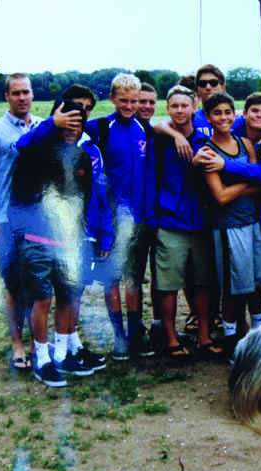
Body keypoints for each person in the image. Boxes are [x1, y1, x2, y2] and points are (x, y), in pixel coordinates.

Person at [9, 99, 93, 386]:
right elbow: (21, 145)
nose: (71, 128)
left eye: (77, 123)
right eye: (66, 121)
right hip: (37, 241)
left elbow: (84, 199)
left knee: (68, 297)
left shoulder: (82, 157)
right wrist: (50, 126)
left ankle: (61, 353)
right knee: (42, 298)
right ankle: (41, 358)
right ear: (55, 120)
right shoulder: (36, 149)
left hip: (69, 241)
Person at [197, 92, 261, 317]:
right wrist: (195, 159)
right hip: (238, 218)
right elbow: (211, 124)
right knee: (240, 280)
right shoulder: (234, 129)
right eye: (254, 111)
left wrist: (225, 165)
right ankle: (236, 330)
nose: (258, 116)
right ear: (244, 114)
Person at [85, 73, 156, 361]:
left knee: (134, 279)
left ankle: (135, 334)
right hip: (110, 222)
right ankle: (118, 337)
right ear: (113, 99)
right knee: (111, 279)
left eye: (134, 101)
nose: (129, 106)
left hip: (138, 221)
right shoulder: (99, 128)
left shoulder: (145, 129)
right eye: (123, 100)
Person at [0, 73, 42, 371]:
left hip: (38, 222)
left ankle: (37, 344)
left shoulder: (43, 126)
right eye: (15, 93)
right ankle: (18, 344)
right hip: (6, 222)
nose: (22, 98)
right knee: (14, 285)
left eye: (26, 92)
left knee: (39, 285)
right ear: (7, 96)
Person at [150, 85, 214, 358]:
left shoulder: (205, 137)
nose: (179, 110)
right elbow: (151, 180)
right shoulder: (160, 139)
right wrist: (154, 218)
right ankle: (171, 338)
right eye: (174, 106)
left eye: (184, 105)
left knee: (202, 283)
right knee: (167, 284)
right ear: (168, 108)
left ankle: (204, 337)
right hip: (170, 222)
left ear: (194, 107)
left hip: (201, 222)